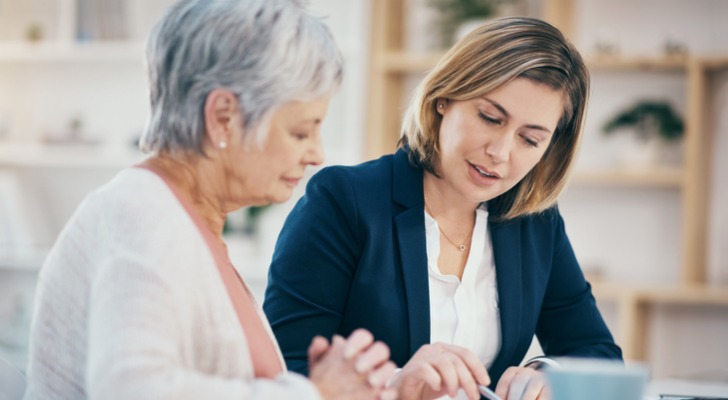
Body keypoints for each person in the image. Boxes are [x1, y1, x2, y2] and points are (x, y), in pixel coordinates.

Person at [23, 1, 398, 399]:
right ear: (222, 116)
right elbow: (132, 388)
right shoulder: (143, 216)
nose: (316, 155)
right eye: (301, 132)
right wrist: (313, 394)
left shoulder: (181, 222)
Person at [263, 16, 623, 400]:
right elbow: (283, 369)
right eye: (490, 118)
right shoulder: (344, 201)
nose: (500, 153)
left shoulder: (535, 224)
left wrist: (546, 372)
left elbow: (599, 357)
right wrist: (395, 385)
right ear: (443, 100)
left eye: (530, 139)